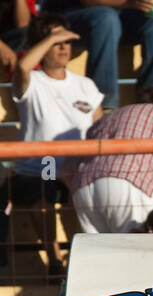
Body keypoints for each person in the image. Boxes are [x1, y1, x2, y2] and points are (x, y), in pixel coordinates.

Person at [7, 14, 104, 275]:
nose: (63, 47)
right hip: (36, 171)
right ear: (41, 45)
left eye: (66, 41)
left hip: (79, 171)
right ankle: (55, 262)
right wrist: (51, 36)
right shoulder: (32, 81)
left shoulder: (86, 85)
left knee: (95, 190)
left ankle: (90, 260)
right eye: (55, 42)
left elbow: (100, 129)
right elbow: (22, 67)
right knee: (42, 193)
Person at [71, 87, 153, 235]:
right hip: (129, 183)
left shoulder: (105, 118)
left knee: (99, 252)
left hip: (84, 189)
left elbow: (70, 163)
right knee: (136, 249)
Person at [39, 0, 153, 109]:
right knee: (106, 17)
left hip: (116, 18)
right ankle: (103, 106)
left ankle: (152, 102)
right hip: (64, 17)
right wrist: (130, 2)